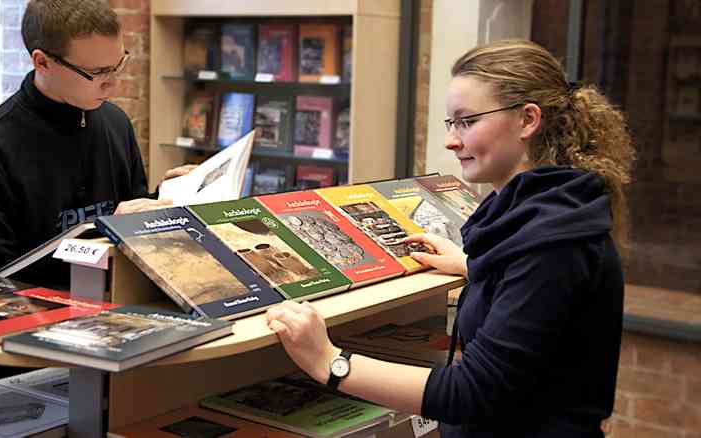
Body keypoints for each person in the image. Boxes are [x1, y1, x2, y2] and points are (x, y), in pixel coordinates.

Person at [266, 39, 635, 438]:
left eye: (467, 121)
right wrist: (470, 265)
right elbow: (535, 298)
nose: (451, 141)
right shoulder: (541, 217)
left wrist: (329, 361)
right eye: (451, 123)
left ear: (528, 120)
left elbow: (473, 391)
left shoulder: (554, 242)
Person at [0, 0, 176, 390]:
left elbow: (127, 218)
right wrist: (104, 231)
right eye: (97, 73)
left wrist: (168, 197)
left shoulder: (115, 123)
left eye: (119, 64)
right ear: (43, 62)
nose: (113, 84)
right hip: (15, 370)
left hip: (106, 348)